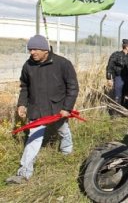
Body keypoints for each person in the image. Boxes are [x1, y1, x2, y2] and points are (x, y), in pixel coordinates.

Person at [6, 35, 79, 184]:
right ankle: (24, 173)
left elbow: (73, 87)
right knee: (34, 138)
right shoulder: (28, 65)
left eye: (35, 49)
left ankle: (67, 152)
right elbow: (25, 87)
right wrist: (22, 104)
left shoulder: (62, 64)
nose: (32, 52)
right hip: (37, 109)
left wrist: (67, 108)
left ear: (45, 50)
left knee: (63, 131)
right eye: (30, 49)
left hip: (57, 109)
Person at [106, 39, 128, 108]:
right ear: (126, 47)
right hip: (119, 77)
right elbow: (110, 66)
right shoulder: (116, 55)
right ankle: (116, 112)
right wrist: (109, 78)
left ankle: (126, 111)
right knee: (117, 95)